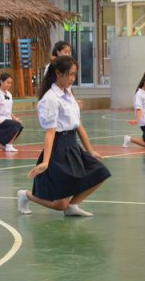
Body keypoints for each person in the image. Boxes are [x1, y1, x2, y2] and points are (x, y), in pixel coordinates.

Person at [17, 56, 111, 217]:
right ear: (58, 73)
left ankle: (73, 205)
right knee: (60, 204)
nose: (72, 79)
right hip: (58, 149)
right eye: (70, 75)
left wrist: (90, 151)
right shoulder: (50, 99)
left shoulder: (68, 94)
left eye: (75, 75)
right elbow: (50, 132)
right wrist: (46, 162)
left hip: (73, 145)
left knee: (101, 172)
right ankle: (25, 195)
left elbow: (78, 124)